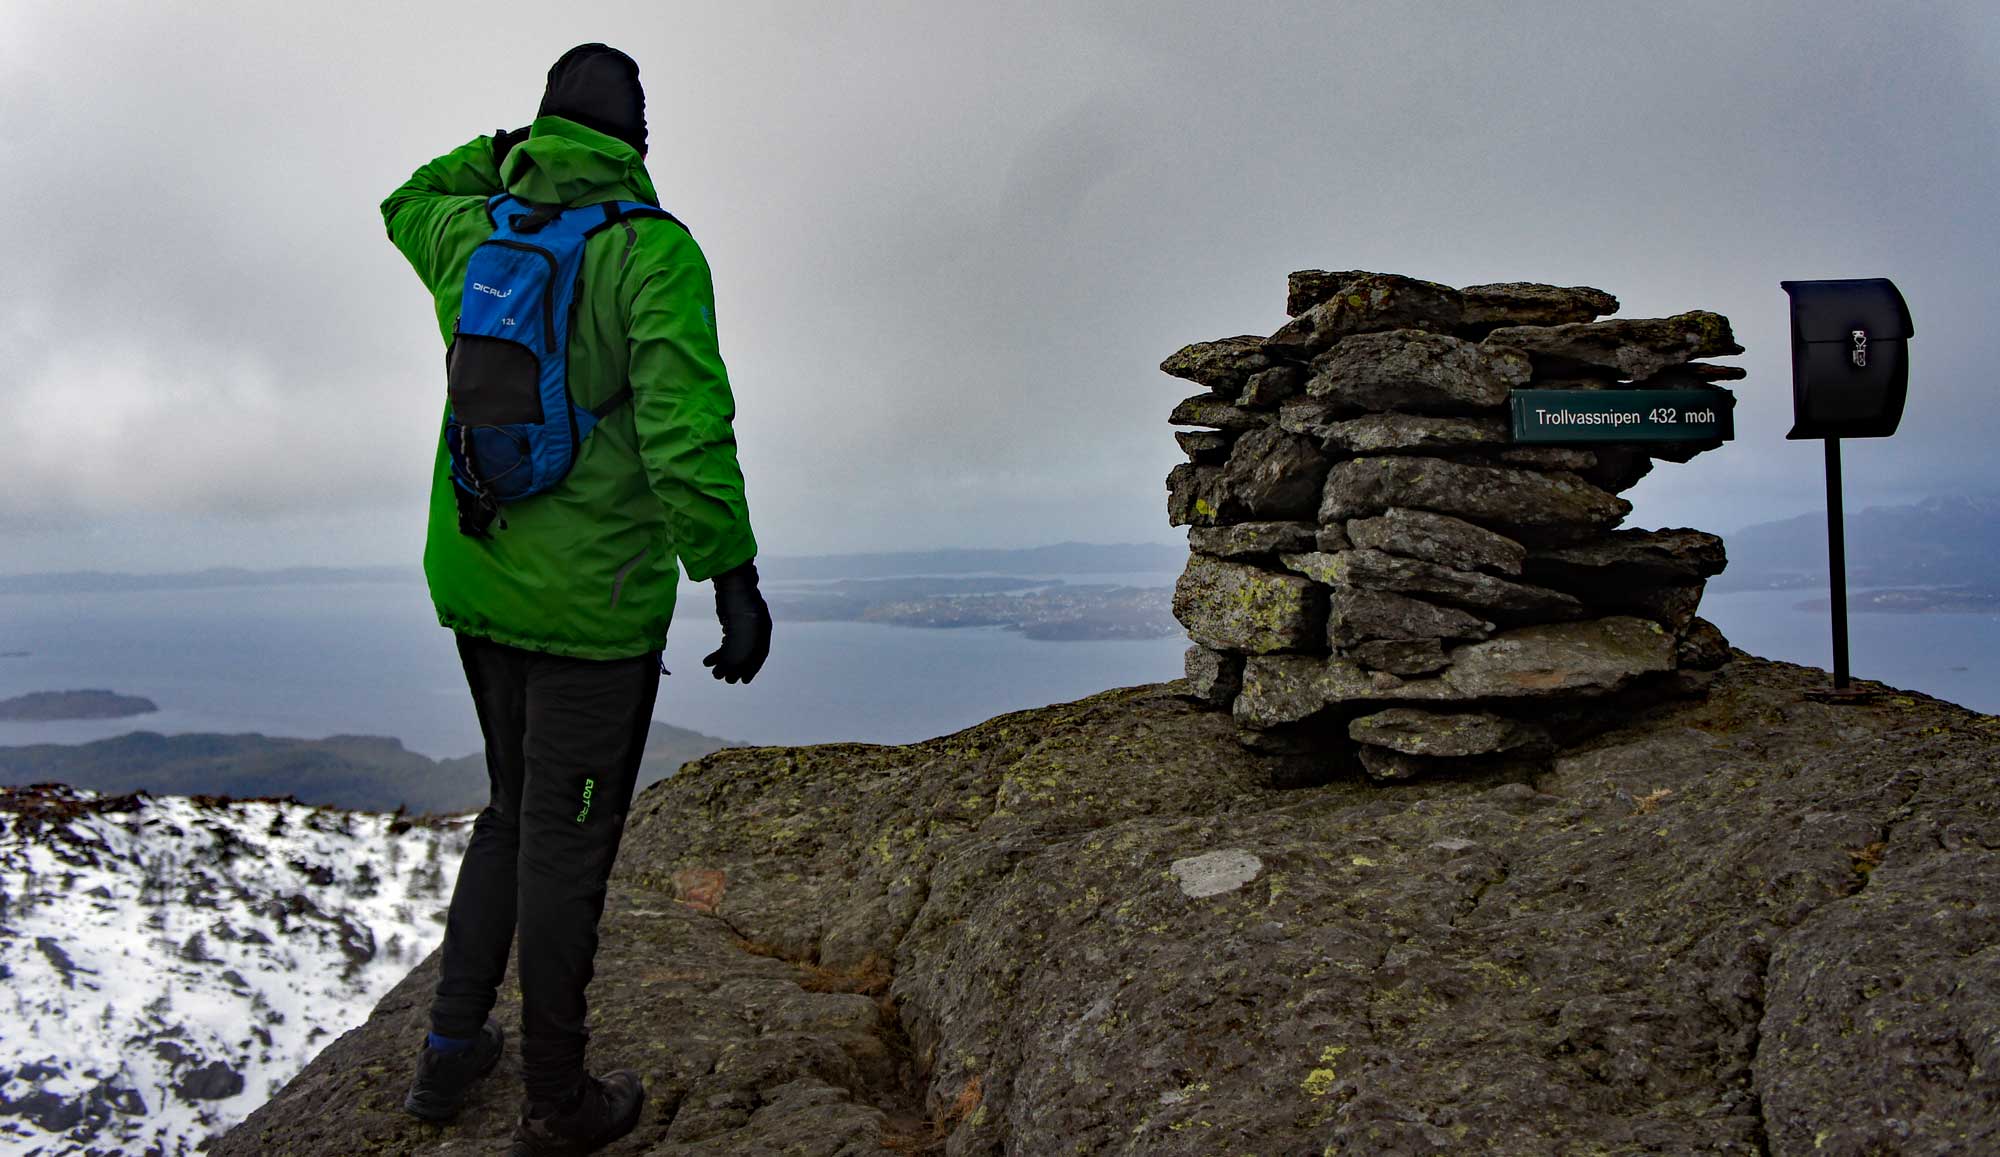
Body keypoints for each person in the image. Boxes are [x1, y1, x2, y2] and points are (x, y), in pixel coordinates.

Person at [381, 43, 772, 1153]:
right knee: (566, 844)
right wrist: (730, 575)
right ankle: (555, 1099)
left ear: (541, 128)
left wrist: (500, 151)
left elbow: (405, 196)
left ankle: (449, 1051)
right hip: (591, 607)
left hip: (474, 574)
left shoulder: (474, 233)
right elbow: (682, 429)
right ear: (636, 140)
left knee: (509, 810)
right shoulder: (650, 253)